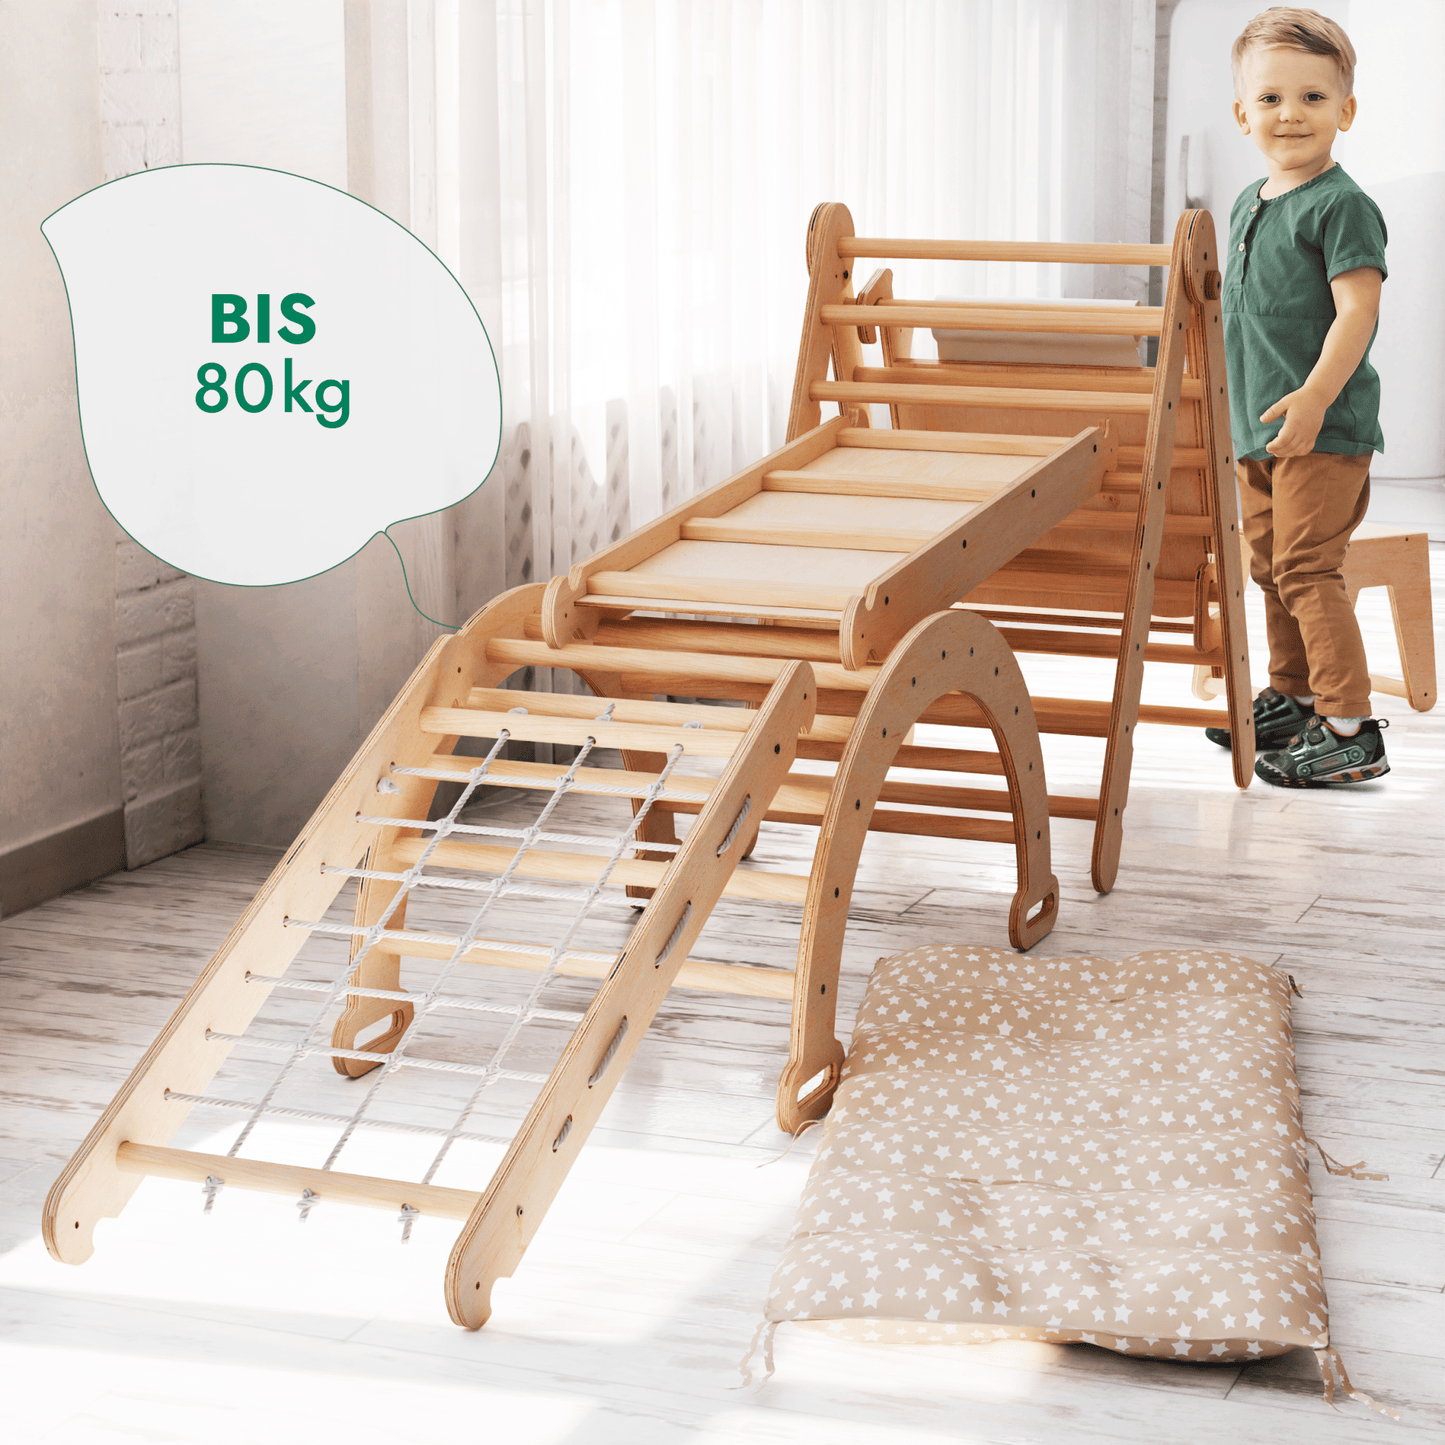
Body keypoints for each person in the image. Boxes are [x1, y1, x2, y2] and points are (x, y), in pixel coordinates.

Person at [1204, 7, 1389, 786]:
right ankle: (1292, 691)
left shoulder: (1339, 204)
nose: (1291, 115)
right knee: (1269, 569)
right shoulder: (1249, 202)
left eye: (1313, 99)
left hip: (1322, 425)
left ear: (1344, 112)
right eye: (1272, 99)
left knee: (1308, 567)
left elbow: (1358, 311)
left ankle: (1348, 724)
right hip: (1257, 427)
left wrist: (1314, 396)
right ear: (1241, 113)